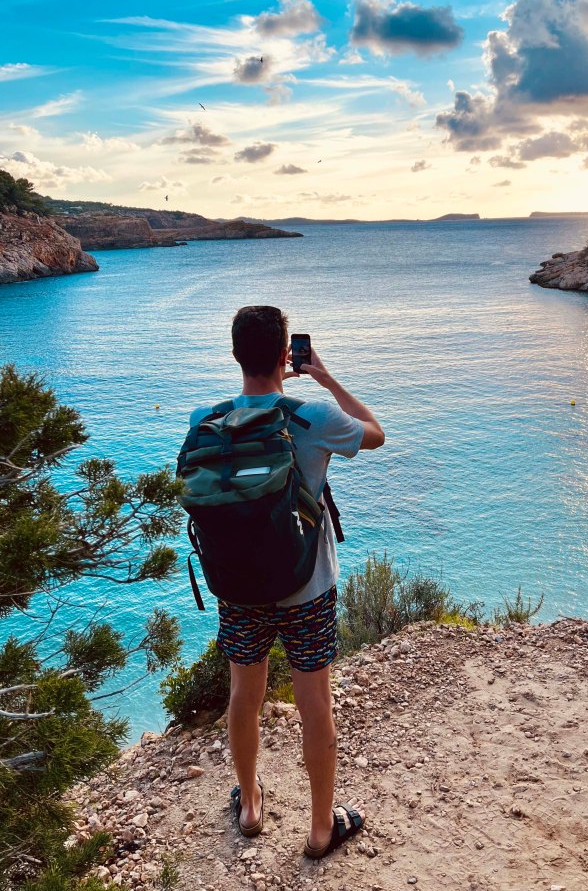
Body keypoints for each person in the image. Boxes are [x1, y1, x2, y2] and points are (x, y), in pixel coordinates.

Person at [188, 305, 385, 857]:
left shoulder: (205, 419)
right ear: (284, 356)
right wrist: (322, 375)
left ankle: (250, 805)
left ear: (234, 355)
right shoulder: (312, 417)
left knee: (243, 696)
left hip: (237, 588)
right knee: (313, 702)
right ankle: (322, 828)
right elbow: (376, 434)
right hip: (307, 588)